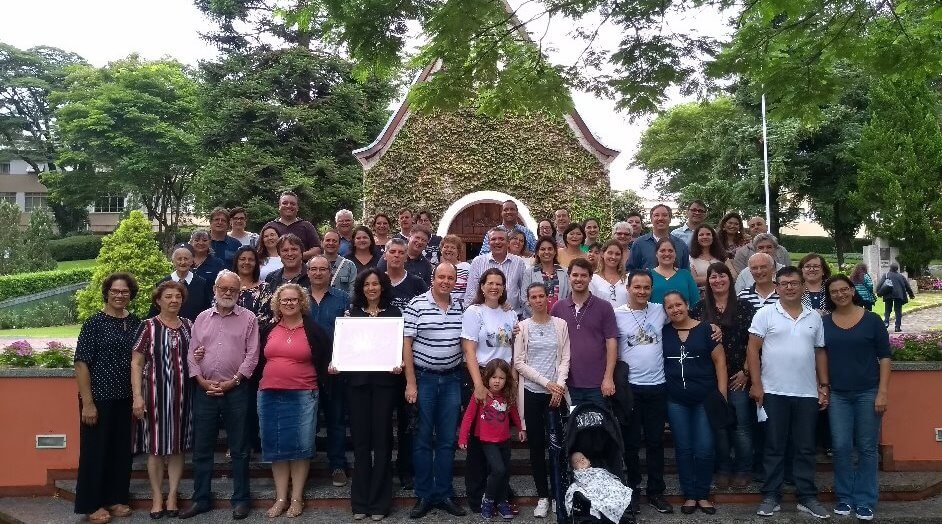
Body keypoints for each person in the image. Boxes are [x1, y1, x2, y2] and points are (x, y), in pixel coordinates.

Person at [747, 266, 831, 519]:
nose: (789, 288)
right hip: (773, 391)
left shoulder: (814, 317)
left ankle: (806, 497)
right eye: (784, 284)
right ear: (777, 287)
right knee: (774, 446)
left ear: (803, 286)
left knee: (805, 447)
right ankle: (771, 495)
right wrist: (757, 384)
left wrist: (824, 386)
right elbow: (752, 350)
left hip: (806, 392)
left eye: (794, 283)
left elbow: (819, 352)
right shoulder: (765, 314)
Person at [179, 271, 260, 520]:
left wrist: (233, 381)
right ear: (214, 289)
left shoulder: (249, 318)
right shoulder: (201, 318)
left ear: (239, 293)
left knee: (239, 448)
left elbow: (252, 355)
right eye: (223, 288)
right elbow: (192, 354)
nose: (227, 293)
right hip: (204, 391)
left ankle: (241, 500)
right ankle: (201, 498)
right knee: (202, 449)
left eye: (233, 290)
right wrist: (201, 381)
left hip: (236, 390)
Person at [255, 283, 330, 519]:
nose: (289, 303)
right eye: (284, 300)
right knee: (275, 447)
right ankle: (280, 498)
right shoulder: (268, 329)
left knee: (300, 446)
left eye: (293, 300)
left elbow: (325, 359)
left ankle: (297, 498)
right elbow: (257, 359)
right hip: (268, 394)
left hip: (302, 393)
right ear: (278, 303)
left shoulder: (313, 331)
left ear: (302, 303)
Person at [73, 273, 141, 524]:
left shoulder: (135, 323)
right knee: (95, 451)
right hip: (99, 398)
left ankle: (115, 498)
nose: (120, 295)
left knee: (121, 451)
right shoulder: (94, 324)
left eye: (124, 292)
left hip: (126, 398)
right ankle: (92, 503)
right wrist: (87, 402)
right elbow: (81, 365)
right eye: (115, 291)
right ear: (107, 292)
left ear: (130, 294)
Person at [823, 275, 891, 521]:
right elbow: (821, 356)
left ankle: (865, 499)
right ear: (829, 296)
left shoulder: (872, 320)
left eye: (844, 289)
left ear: (852, 290)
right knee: (841, 447)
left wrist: (882, 391)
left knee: (866, 448)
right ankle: (844, 497)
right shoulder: (825, 322)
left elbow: (885, 357)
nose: (839, 294)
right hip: (838, 394)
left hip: (868, 392)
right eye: (834, 292)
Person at [402, 263, 468, 519]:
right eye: (441, 276)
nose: (446, 281)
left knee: (447, 440)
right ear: (433, 278)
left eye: (450, 277)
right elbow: (406, 345)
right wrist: (410, 383)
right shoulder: (416, 305)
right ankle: (423, 494)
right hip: (423, 379)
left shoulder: (462, 307)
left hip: (451, 380)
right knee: (422, 440)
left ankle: (444, 493)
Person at [342, 269, 404, 520]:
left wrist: (398, 362)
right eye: (367, 284)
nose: (371, 288)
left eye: (376, 284)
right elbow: (345, 348)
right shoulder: (351, 314)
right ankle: (360, 502)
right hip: (357, 386)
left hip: (384, 386)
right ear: (361, 288)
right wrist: (338, 362)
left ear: (383, 287)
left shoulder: (394, 314)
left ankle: (380, 503)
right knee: (360, 444)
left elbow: (399, 347)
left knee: (382, 442)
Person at [131, 280, 194, 519]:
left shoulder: (189, 325)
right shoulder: (148, 326)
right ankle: (157, 495)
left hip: (182, 397)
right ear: (158, 300)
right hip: (154, 396)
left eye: (177, 296)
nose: (174, 301)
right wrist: (137, 396)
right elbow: (136, 362)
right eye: (168, 296)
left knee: (177, 448)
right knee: (156, 449)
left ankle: (172, 495)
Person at [691, 263, 756, 489]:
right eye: (713, 277)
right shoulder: (699, 309)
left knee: (741, 426)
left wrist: (746, 371)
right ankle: (724, 468)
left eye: (722, 276)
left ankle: (743, 468)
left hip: (738, 376)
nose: (717, 280)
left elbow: (754, 342)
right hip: (709, 378)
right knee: (718, 426)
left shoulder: (745, 308)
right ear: (707, 281)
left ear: (730, 278)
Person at [661, 291, 727, 515]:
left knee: (705, 448)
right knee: (684, 448)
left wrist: (722, 396)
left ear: (687, 304)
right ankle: (689, 494)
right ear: (666, 311)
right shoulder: (663, 332)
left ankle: (703, 494)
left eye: (678, 304)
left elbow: (720, 362)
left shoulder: (708, 329)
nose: (675, 309)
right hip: (676, 400)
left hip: (705, 399)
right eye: (669, 307)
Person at [615, 270, 673, 514]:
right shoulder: (616, 314)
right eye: (637, 287)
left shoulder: (660, 310)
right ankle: (633, 491)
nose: (641, 291)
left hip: (657, 386)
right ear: (628, 288)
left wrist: (712, 326)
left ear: (651, 289)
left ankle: (656, 491)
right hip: (630, 389)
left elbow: (685, 316)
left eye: (646, 287)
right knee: (630, 444)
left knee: (655, 442)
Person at [460, 268, 519, 513]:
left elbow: (515, 350)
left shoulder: (511, 313)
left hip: (503, 379)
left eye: (499, 283)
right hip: (482, 377)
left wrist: (512, 382)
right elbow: (469, 351)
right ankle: (477, 497)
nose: (494, 287)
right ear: (482, 286)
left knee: (500, 441)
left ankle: (498, 494)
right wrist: (478, 385)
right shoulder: (474, 312)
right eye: (490, 283)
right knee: (478, 444)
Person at [513, 282, 571, 518]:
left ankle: (558, 494)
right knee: (537, 448)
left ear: (549, 298)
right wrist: (546, 383)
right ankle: (543, 496)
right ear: (528, 301)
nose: (538, 300)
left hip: (555, 396)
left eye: (542, 296)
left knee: (557, 448)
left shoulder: (561, 324)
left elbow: (566, 357)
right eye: (533, 297)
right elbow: (518, 362)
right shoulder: (522, 327)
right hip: (532, 394)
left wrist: (558, 386)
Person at [382, 236, 426, 490]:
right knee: (384, 420)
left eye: (401, 252)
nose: (397, 256)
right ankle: (385, 466)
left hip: (411, 361)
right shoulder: (375, 280)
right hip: (383, 363)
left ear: (405, 256)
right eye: (392, 252)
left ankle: (406, 468)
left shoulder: (417, 283)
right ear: (385, 254)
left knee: (409, 421)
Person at [305, 256, 352, 488]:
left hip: (334, 370)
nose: (318, 273)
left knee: (335, 420)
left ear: (330, 271)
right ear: (308, 272)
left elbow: (350, 333)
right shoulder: (298, 297)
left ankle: (337, 465)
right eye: (313, 269)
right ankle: (305, 464)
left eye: (323, 269)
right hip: (303, 369)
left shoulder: (343, 299)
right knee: (306, 421)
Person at [458, 359, 525, 520]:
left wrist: (521, 428)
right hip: (487, 441)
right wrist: (462, 436)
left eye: (501, 378)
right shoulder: (481, 395)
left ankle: (502, 502)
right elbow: (468, 416)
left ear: (506, 380)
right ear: (487, 378)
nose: (497, 381)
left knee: (504, 472)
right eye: (494, 377)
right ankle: (487, 500)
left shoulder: (507, 396)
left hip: (504, 440)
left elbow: (514, 413)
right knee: (498, 470)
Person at [551, 258, 618, 407]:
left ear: (590, 278)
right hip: (568, 383)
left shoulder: (604, 307)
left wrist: (608, 377)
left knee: (598, 427)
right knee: (574, 428)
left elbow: (611, 342)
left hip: (598, 384)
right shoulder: (558, 308)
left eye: (583, 275)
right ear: (569, 277)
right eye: (575, 275)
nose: (579, 279)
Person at [231, 245, 272, 452]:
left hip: (258, 349)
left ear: (256, 263)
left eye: (251, 259)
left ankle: (256, 441)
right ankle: (238, 443)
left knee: (254, 398)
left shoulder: (265, 288)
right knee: (236, 401)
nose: (246, 263)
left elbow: (267, 318)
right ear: (236, 262)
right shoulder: (227, 287)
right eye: (242, 259)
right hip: (231, 350)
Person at [464, 226, 526, 311]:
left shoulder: (518, 262)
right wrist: (469, 311)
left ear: (508, 243)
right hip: (484, 315)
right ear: (488, 243)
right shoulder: (478, 262)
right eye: (493, 239)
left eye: (501, 239)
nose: (497, 242)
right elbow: (471, 293)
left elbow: (524, 292)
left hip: (511, 315)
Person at [566, 452, 635, 524]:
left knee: (619, 492)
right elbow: (576, 486)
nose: (581, 461)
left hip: (608, 488)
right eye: (577, 461)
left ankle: (620, 516)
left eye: (583, 458)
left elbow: (607, 478)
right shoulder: (578, 475)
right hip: (591, 490)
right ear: (573, 467)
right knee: (601, 501)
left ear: (589, 461)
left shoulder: (598, 470)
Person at [150, 246, 211, 321]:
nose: (183, 262)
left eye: (186, 259)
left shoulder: (202, 283)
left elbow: (207, 311)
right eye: (179, 259)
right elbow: (154, 312)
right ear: (173, 261)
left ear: (192, 261)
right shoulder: (163, 283)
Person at [628, 204, 691, 271]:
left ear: (670, 219)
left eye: (664, 215)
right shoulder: (639, 244)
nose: (660, 218)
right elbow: (631, 271)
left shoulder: (681, 245)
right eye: (656, 215)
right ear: (651, 219)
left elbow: (686, 273)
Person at [520, 236, 570, 318]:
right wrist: (540, 317)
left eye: (550, 249)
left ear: (555, 252)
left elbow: (569, 296)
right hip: (534, 320)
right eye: (543, 249)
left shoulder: (565, 272)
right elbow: (524, 299)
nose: (546, 252)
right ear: (537, 252)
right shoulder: (529, 273)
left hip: (560, 319)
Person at [262, 191, 321, 258]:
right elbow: (260, 250)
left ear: (297, 208)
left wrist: (297, 257)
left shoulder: (307, 226)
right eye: (285, 203)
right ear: (279, 206)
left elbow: (317, 250)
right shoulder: (269, 227)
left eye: (292, 204)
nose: (288, 206)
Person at [650, 238, 699, 306]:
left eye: (670, 251)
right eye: (662, 251)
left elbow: (696, 302)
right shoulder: (648, 276)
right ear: (656, 254)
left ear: (675, 254)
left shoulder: (685, 275)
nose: (667, 254)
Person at [689, 224, 734, 289]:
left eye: (708, 234)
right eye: (701, 235)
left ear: (713, 237)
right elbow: (693, 280)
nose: (705, 237)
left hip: (724, 291)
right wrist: (721, 278)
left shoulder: (722, 256)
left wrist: (707, 279)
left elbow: (732, 275)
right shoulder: (691, 258)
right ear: (696, 238)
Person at [876, 262, 915, 332]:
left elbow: (880, 285)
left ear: (890, 268)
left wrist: (878, 292)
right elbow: (907, 286)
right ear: (897, 269)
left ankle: (886, 322)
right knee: (898, 311)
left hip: (888, 294)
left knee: (887, 310)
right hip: (898, 295)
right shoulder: (901, 276)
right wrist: (911, 295)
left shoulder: (886, 275)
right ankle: (897, 327)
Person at [590, 240, 629, 308]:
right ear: (602, 254)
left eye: (617, 254)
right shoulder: (593, 279)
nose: (613, 257)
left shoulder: (627, 279)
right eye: (610, 253)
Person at [439, 234, 471, 307]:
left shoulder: (466, 268)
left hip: (461, 310)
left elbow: (472, 291)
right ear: (441, 250)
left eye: (453, 248)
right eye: (446, 247)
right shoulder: (437, 269)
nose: (449, 250)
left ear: (458, 252)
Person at [322, 229, 357, 295]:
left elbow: (353, 291)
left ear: (339, 244)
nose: (331, 243)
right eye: (328, 240)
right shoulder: (312, 264)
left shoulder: (349, 265)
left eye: (334, 241)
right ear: (321, 243)